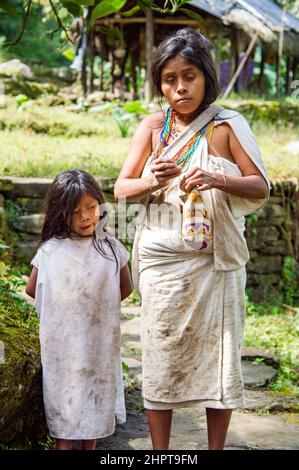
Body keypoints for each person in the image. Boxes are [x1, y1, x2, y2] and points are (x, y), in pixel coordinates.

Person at [114, 28, 270, 450]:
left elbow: (260, 187)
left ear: (206, 78)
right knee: (160, 356)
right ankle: (160, 454)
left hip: (214, 263)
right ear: (159, 82)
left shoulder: (226, 126)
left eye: (189, 76)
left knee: (219, 360)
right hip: (162, 262)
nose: (179, 87)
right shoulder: (152, 128)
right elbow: (120, 190)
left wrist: (218, 177)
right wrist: (151, 178)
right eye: (169, 78)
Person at [25, 170, 132, 450]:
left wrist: (95, 307)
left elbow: (125, 287)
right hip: (62, 345)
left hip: (99, 342)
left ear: (101, 206)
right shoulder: (50, 251)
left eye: (91, 207)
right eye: (75, 212)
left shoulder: (111, 249)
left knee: (94, 405)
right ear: (60, 214)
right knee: (66, 407)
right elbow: (33, 289)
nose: (85, 217)